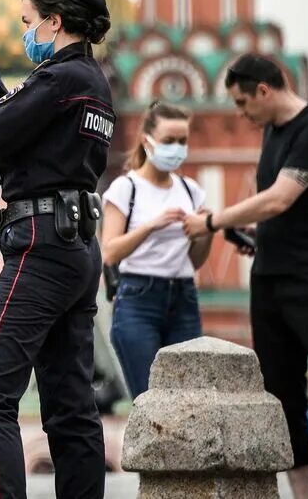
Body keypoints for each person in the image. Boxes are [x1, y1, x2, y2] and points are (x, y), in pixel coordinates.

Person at [0, 0, 114, 499]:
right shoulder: (93, 84)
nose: (24, 34)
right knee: (71, 404)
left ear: (55, 21)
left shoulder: (58, 79)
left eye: (27, 22)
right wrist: (1, 96)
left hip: (39, 246)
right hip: (78, 245)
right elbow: (27, 138)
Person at [181, 54, 308, 499]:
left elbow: (280, 198)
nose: (241, 115)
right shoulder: (272, 133)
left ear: (265, 89)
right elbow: (275, 214)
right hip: (270, 280)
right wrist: (254, 236)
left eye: (244, 103)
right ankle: (302, 494)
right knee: (282, 394)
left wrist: (213, 221)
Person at [101, 101, 210, 398]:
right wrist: (153, 225)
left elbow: (195, 260)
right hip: (138, 299)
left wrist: (206, 230)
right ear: (147, 141)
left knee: (190, 399)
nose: (177, 148)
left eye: (182, 141)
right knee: (151, 400)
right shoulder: (126, 188)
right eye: (169, 141)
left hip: (184, 296)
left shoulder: (190, 189)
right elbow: (109, 252)